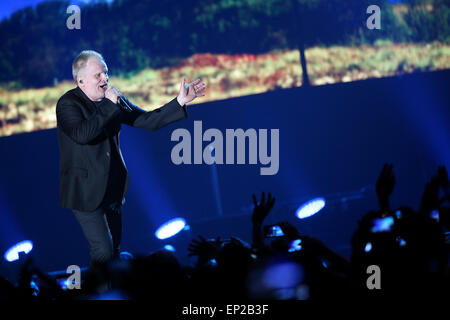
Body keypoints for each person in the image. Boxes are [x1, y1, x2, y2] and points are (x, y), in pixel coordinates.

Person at [56, 50, 206, 268]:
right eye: (98, 75)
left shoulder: (112, 100)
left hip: (112, 188)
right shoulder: (68, 104)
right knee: (104, 251)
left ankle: (115, 290)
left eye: (105, 73)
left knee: (114, 249)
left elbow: (146, 120)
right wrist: (109, 105)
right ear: (81, 80)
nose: (105, 79)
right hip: (85, 191)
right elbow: (83, 134)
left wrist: (180, 101)